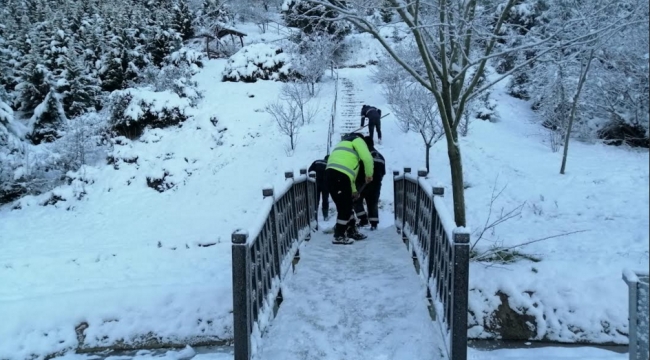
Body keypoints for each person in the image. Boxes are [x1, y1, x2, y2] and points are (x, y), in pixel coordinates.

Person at [325, 132, 374, 245]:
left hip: (330, 175)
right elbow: (367, 158)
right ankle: (339, 235)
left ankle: (351, 231)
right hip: (340, 176)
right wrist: (369, 175)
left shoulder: (343, 144)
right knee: (345, 208)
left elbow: (349, 175)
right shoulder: (358, 141)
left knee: (346, 204)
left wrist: (354, 192)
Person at [353, 136, 386, 230]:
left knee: (356, 200)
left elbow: (358, 169)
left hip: (363, 182)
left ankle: (363, 219)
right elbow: (383, 172)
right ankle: (374, 223)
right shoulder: (380, 156)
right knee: (373, 202)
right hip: (376, 183)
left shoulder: (363, 154)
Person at [308, 155, 330, 220]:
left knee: (316, 199)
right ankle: (325, 216)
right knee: (325, 199)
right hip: (325, 184)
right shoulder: (330, 164)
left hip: (316, 183)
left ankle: (314, 215)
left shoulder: (317, 162)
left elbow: (310, 170)